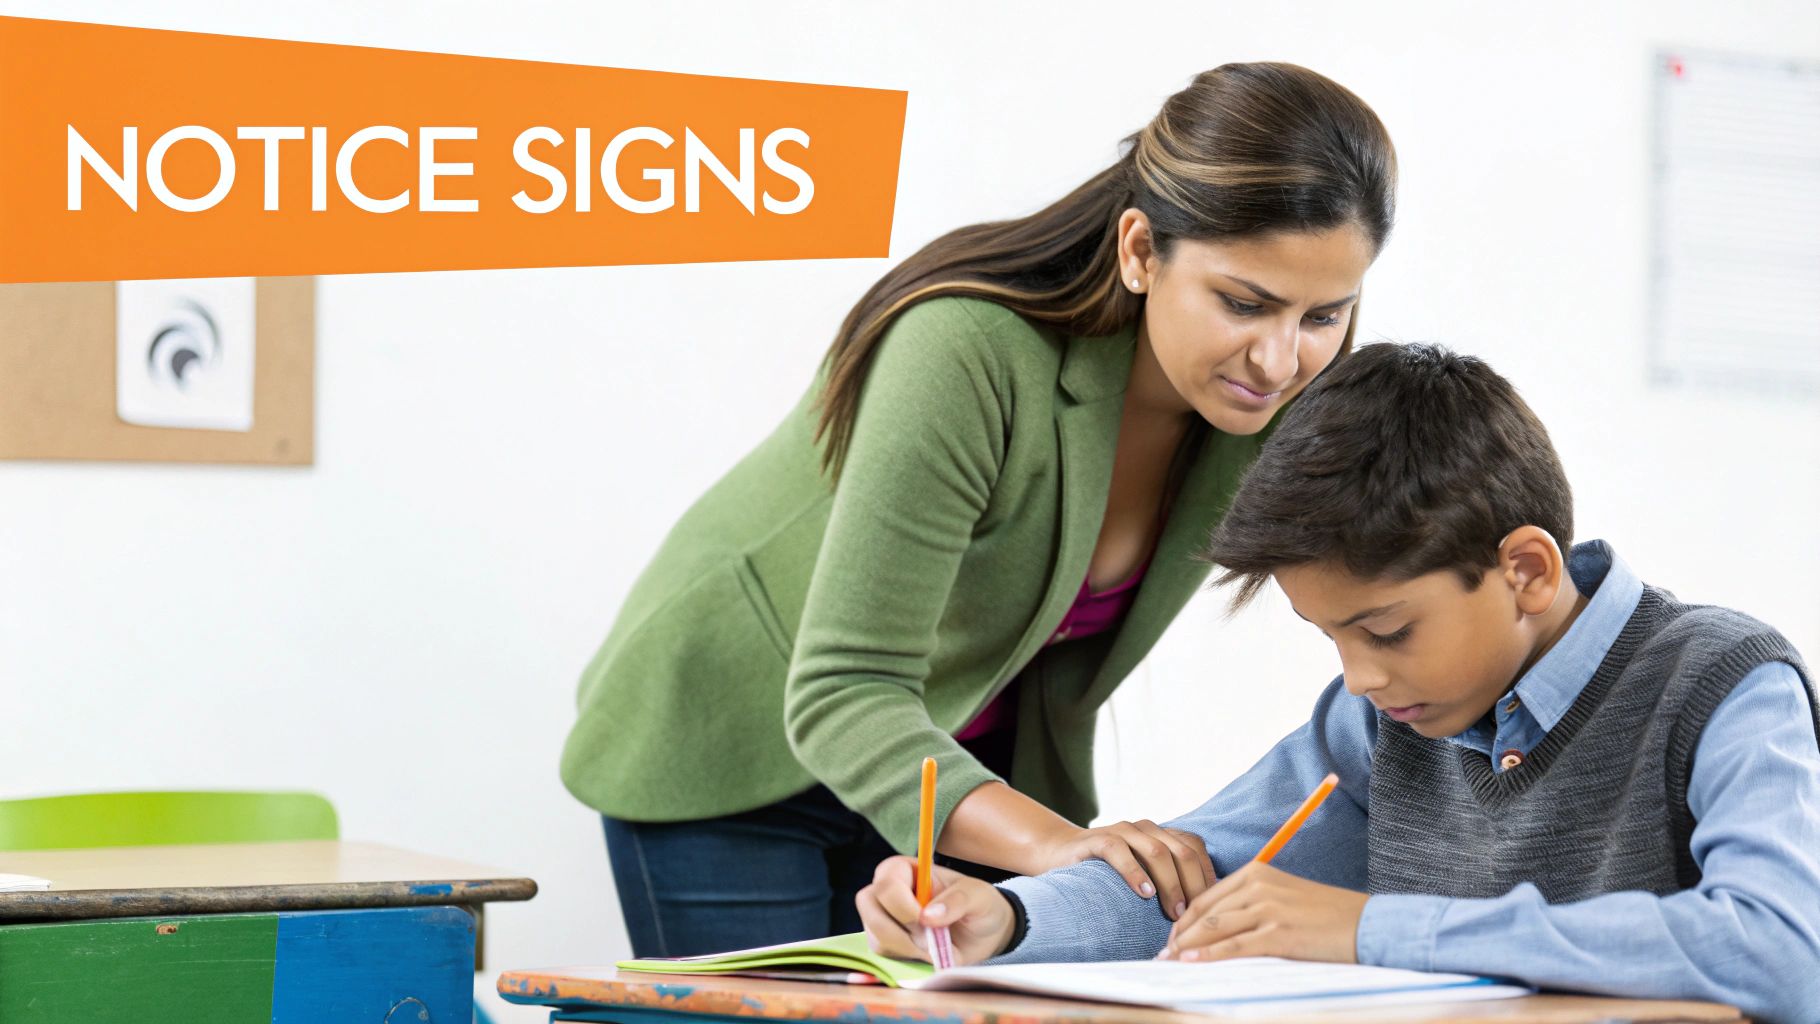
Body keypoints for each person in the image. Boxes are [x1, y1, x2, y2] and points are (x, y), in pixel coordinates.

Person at [561, 62, 1396, 957]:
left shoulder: (1275, 395)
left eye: (1324, 316)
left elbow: (1409, 590)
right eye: (1244, 303)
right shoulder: (965, 350)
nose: (1280, 359)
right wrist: (1062, 849)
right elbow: (846, 690)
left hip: (969, 771)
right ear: (1141, 251)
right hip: (741, 749)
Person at [856, 343, 1820, 1024]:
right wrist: (1011, 920)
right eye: (1330, 638)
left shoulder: (1725, 683)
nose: (1360, 677)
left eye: (1387, 630)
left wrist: (1373, 930)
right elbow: (1198, 883)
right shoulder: (1382, 719)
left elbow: (1780, 950)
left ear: (1525, 569)